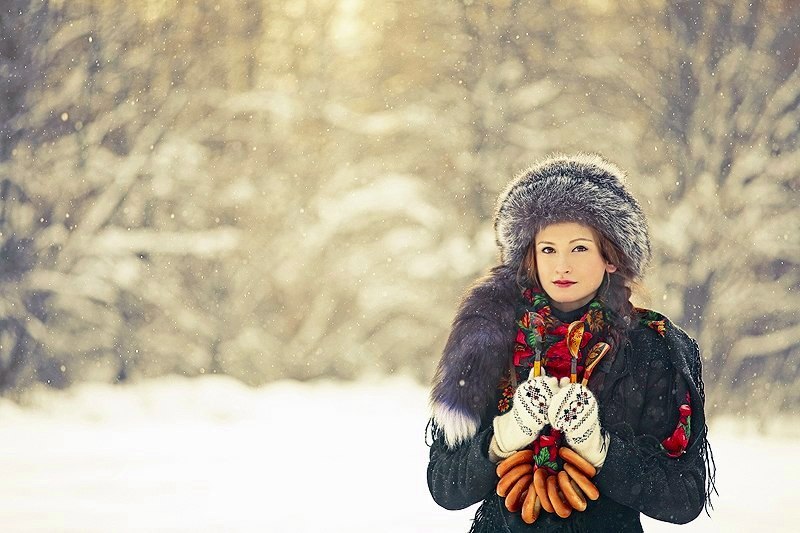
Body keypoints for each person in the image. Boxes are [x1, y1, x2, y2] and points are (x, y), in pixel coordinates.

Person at [426, 154, 714, 532]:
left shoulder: (654, 349)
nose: (562, 265)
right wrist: (503, 436)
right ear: (530, 258)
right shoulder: (485, 338)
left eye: (579, 248)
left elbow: (683, 498)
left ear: (611, 257)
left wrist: (600, 448)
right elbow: (444, 486)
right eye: (548, 249)